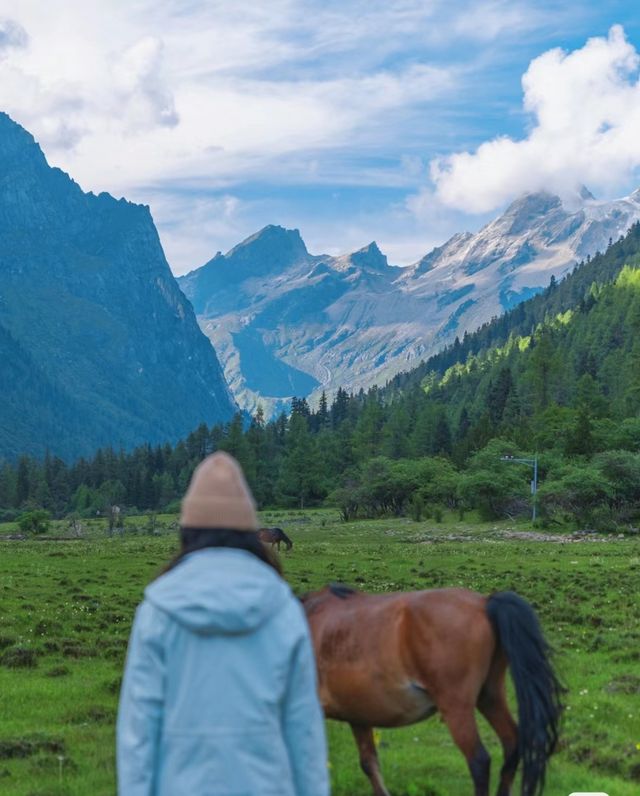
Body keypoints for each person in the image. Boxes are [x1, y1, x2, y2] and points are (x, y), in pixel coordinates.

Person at [117, 452, 329, 796]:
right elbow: (304, 736)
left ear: (188, 532)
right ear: (249, 532)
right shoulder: (283, 611)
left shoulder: (157, 613)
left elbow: (137, 736)